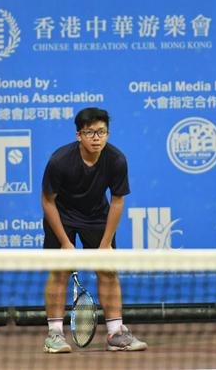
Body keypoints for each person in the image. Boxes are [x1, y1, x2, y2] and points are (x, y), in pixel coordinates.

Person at [41, 107, 147, 353]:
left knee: (108, 270)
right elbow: (47, 201)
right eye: (90, 133)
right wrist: (65, 243)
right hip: (62, 215)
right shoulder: (60, 161)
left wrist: (105, 243)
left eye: (101, 132)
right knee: (59, 271)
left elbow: (118, 201)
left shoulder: (116, 160)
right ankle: (55, 335)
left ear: (107, 134)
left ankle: (116, 333)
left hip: (96, 215)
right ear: (79, 135)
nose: (96, 138)